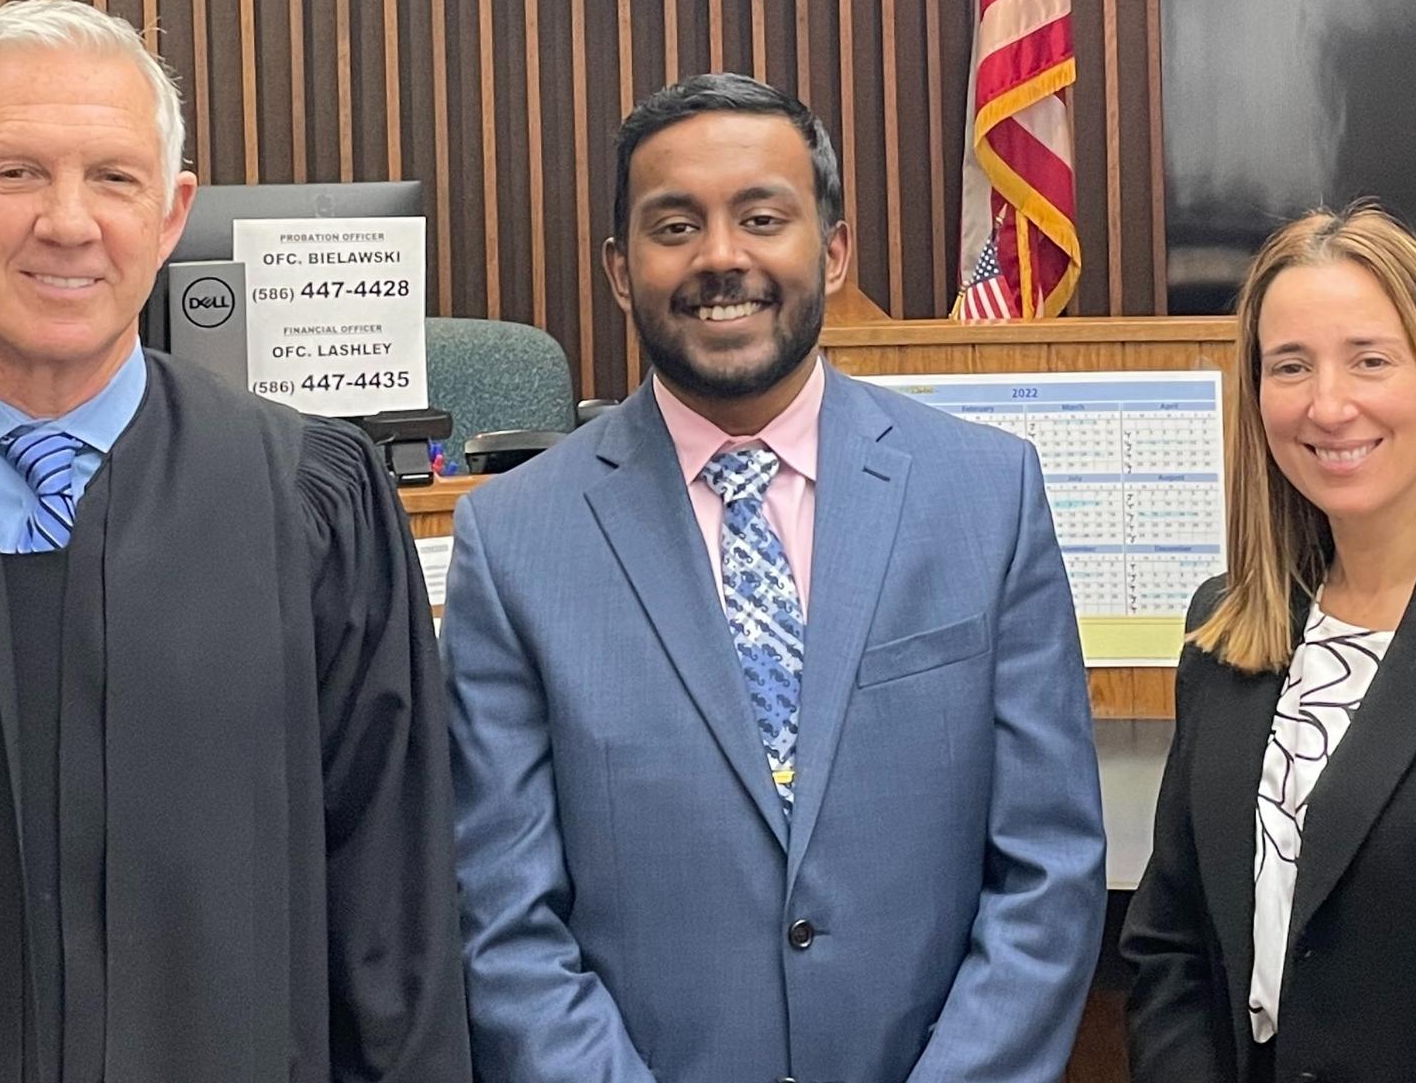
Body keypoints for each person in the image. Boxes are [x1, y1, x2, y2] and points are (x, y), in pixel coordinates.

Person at [0, 0, 471, 1082]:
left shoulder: (310, 503)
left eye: (113, 178)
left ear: (169, 212)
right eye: (16, 173)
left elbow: (394, 928)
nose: (68, 222)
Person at [442, 72, 1106, 1083]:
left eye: (762, 217)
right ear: (621, 271)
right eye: (676, 226)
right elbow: (505, 923)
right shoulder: (514, 538)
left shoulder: (986, 495)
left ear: (833, 251)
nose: (722, 258)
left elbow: (1048, 871)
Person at [1121, 205, 1416, 1083]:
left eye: (1370, 361)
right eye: (1290, 366)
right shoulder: (1225, 630)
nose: (1328, 404)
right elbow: (1169, 946)